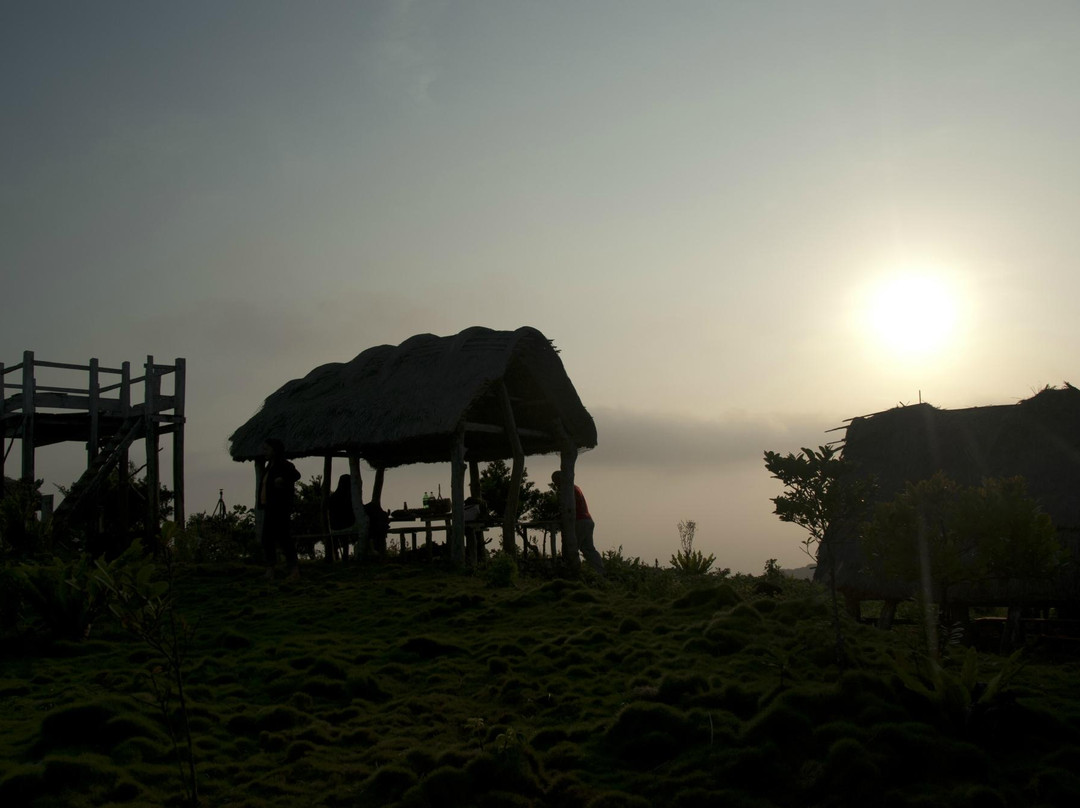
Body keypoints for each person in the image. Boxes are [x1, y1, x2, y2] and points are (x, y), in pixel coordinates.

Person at [260, 438, 302, 580]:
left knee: (284, 538)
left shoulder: (284, 465)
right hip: (269, 507)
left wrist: (282, 480)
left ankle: (294, 570)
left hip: (280, 507)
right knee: (267, 539)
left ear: (274, 450)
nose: (264, 452)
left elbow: (296, 475)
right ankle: (270, 570)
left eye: (267, 449)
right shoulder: (269, 467)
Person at [551, 470, 604, 575]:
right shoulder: (575, 488)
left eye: (556, 481)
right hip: (587, 520)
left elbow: (570, 509)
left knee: (570, 547)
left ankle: (573, 572)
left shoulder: (568, 490)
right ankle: (600, 571)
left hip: (579, 521)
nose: (555, 485)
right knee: (588, 549)